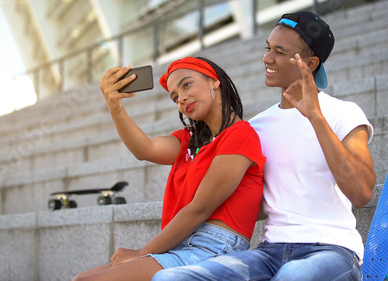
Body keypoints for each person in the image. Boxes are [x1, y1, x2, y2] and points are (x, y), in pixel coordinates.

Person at [151, 11, 376, 281]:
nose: (266, 58)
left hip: (332, 251)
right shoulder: (256, 128)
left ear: (311, 62)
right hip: (269, 254)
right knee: (171, 279)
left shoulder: (343, 114)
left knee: (293, 276)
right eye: (267, 48)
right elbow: (248, 203)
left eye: (280, 52)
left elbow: (362, 193)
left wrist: (315, 117)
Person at [72, 56, 266, 281]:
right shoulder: (190, 140)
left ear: (214, 81)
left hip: (214, 247)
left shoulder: (240, 134)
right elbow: (145, 149)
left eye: (186, 85)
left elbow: (199, 208)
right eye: (175, 97)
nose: (181, 98)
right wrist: (115, 107)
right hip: (180, 243)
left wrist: (142, 253)